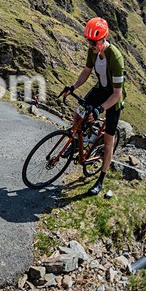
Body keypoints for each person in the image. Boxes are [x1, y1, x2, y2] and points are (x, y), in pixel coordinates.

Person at [59, 17, 125, 196]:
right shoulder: (93, 51)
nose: (91, 46)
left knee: (108, 139)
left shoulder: (116, 57)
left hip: (113, 97)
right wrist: (72, 87)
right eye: (89, 42)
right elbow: (86, 72)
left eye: (94, 43)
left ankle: (100, 180)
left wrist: (99, 109)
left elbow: (117, 93)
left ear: (104, 39)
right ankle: (77, 144)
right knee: (78, 114)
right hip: (100, 90)